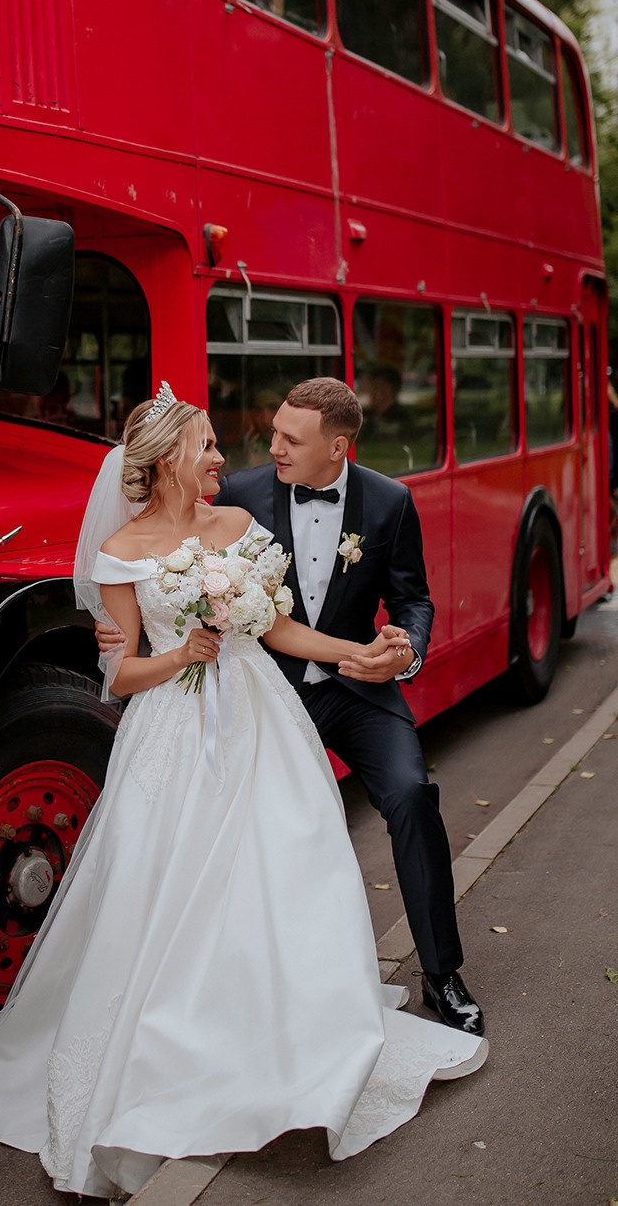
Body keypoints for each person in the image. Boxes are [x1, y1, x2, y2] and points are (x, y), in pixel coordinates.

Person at [0, 385, 487, 1200]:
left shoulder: (242, 526)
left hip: (262, 719)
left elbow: (279, 628)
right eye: (208, 445)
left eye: (271, 439)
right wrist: (181, 654)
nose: (229, 457)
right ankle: (179, 1052)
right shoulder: (128, 548)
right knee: (169, 895)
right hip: (174, 732)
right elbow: (120, 670)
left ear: (335, 446)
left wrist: (369, 651)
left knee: (296, 865)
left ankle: (337, 1012)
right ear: (172, 458)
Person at [184, 375, 481, 1035]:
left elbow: (413, 601)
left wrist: (405, 653)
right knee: (241, 821)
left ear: (339, 447)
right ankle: (247, 983)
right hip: (269, 689)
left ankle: (441, 972)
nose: (274, 444)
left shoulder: (391, 503)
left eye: (292, 438)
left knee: (411, 794)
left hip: (356, 691)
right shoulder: (239, 494)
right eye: (276, 431)